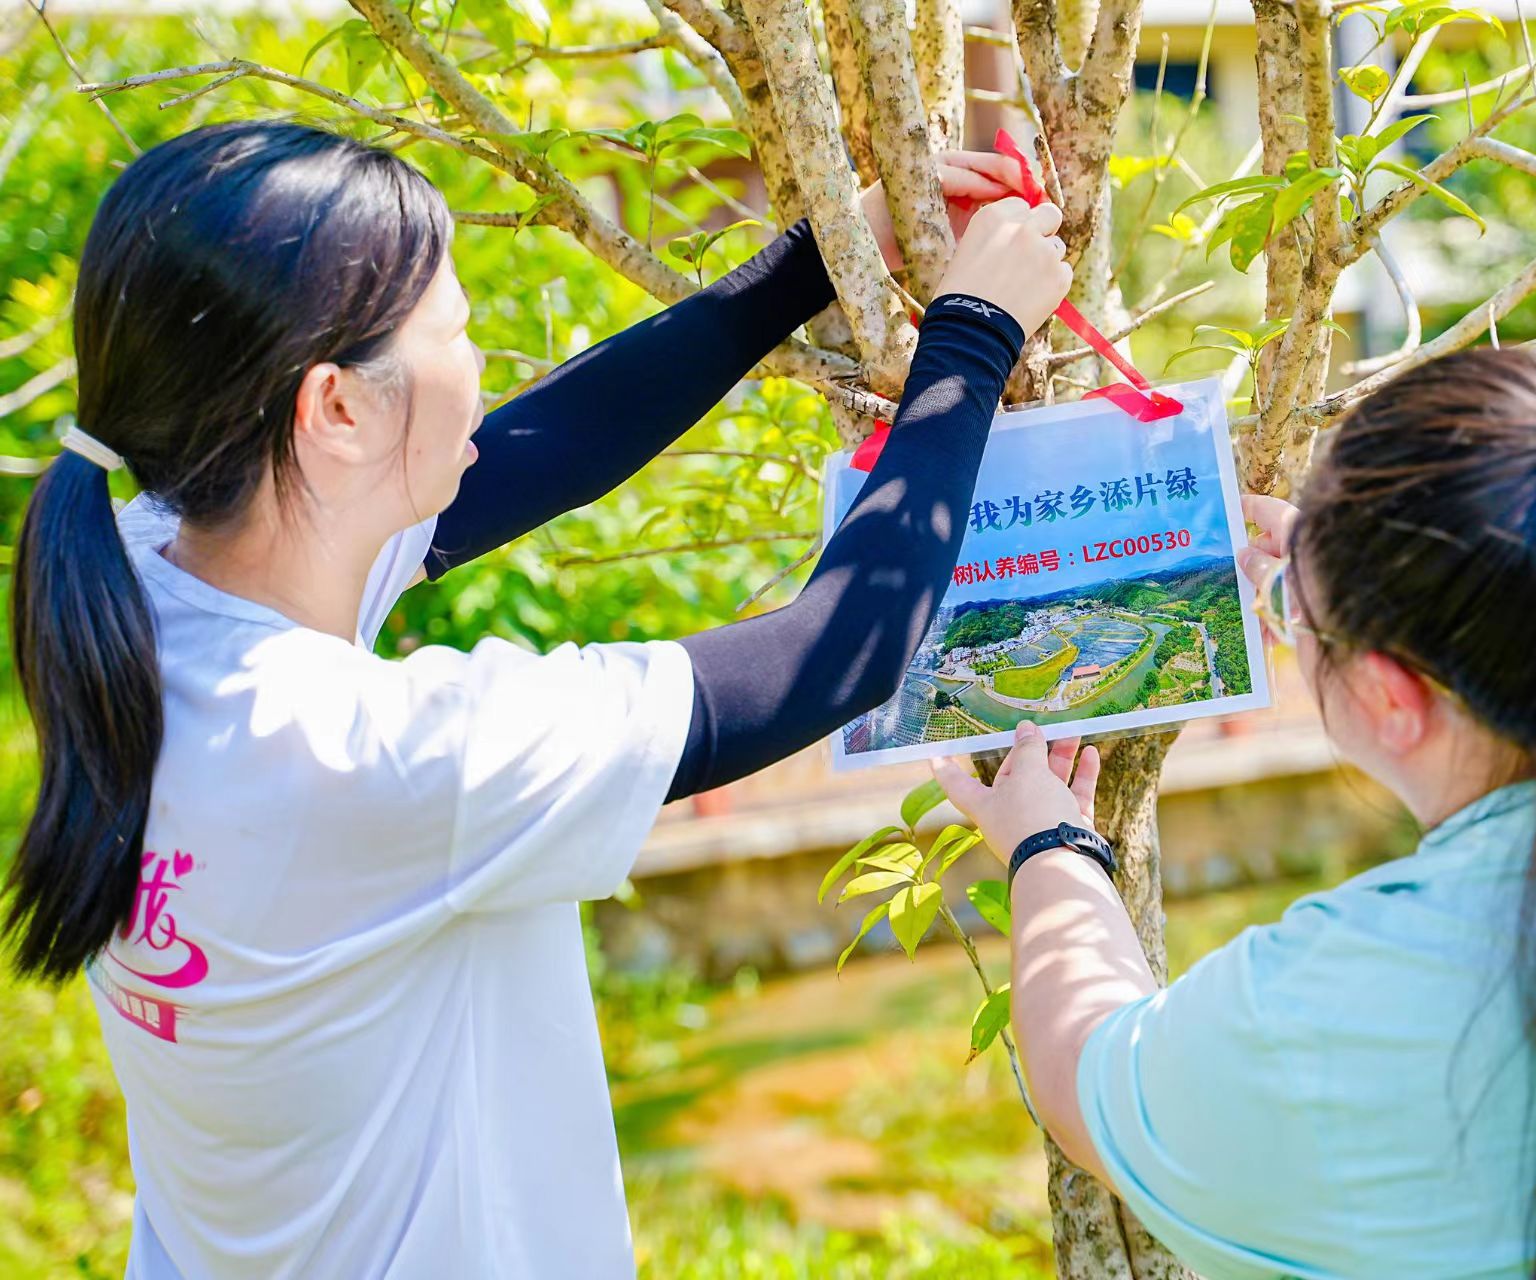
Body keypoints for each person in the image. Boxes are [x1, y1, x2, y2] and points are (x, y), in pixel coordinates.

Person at [3, 121, 1071, 1278]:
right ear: (336, 411)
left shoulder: (146, 573)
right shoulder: (383, 758)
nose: (478, 367)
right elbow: (834, 651)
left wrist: (821, 255)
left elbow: (548, 440)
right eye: (455, 330)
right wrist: (974, 334)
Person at [936, 348, 1536, 1280]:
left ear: (1389, 693)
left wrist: (1048, 843)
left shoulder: (1324, 1013)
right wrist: (1340, 592)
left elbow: (1084, 1072)